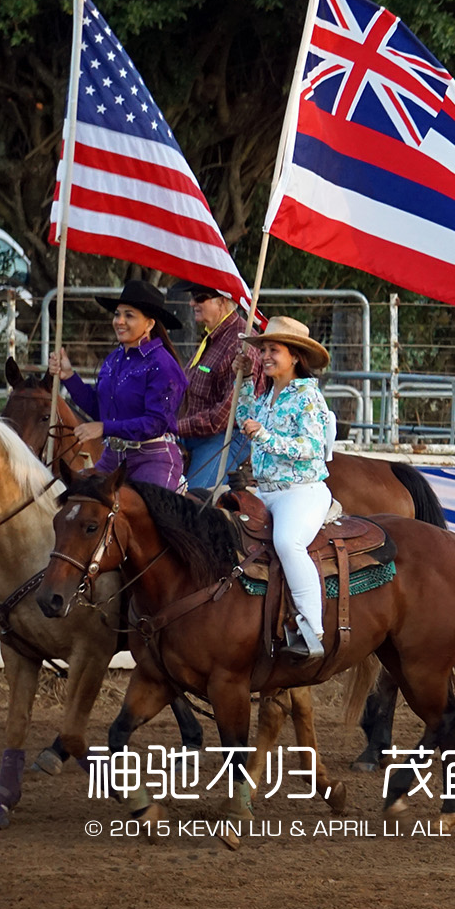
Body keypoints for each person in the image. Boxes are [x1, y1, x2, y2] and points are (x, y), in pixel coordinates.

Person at [233, 317, 336, 658]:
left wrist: (264, 436)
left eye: (272, 350)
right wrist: (246, 378)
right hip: (265, 490)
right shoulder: (268, 396)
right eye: (263, 350)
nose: (265, 356)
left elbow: (311, 446)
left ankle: (312, 629)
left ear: (294, 357)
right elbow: (243, 416)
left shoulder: (308, 396)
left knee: (288, 542)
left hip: (301, 491)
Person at [46, 279, 188, 491]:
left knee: (150, 517)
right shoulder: (114, 359)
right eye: (117, 314)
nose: (119, 321)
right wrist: (69, 376)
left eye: (128, 315)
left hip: (153, 459)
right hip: (113, 458)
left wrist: (105, 428)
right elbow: (99, 409)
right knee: (71, 500)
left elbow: (155, 423)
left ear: (149, 324)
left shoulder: (163, 365)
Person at [172, 280, 254, 492]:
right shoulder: (214, 336)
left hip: (226, 439)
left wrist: (172, 426)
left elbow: (223, 418)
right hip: (193, 433)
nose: (191, 303)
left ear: (223, 301)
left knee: (194, 501)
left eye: (200, 297)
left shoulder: (240, 344)